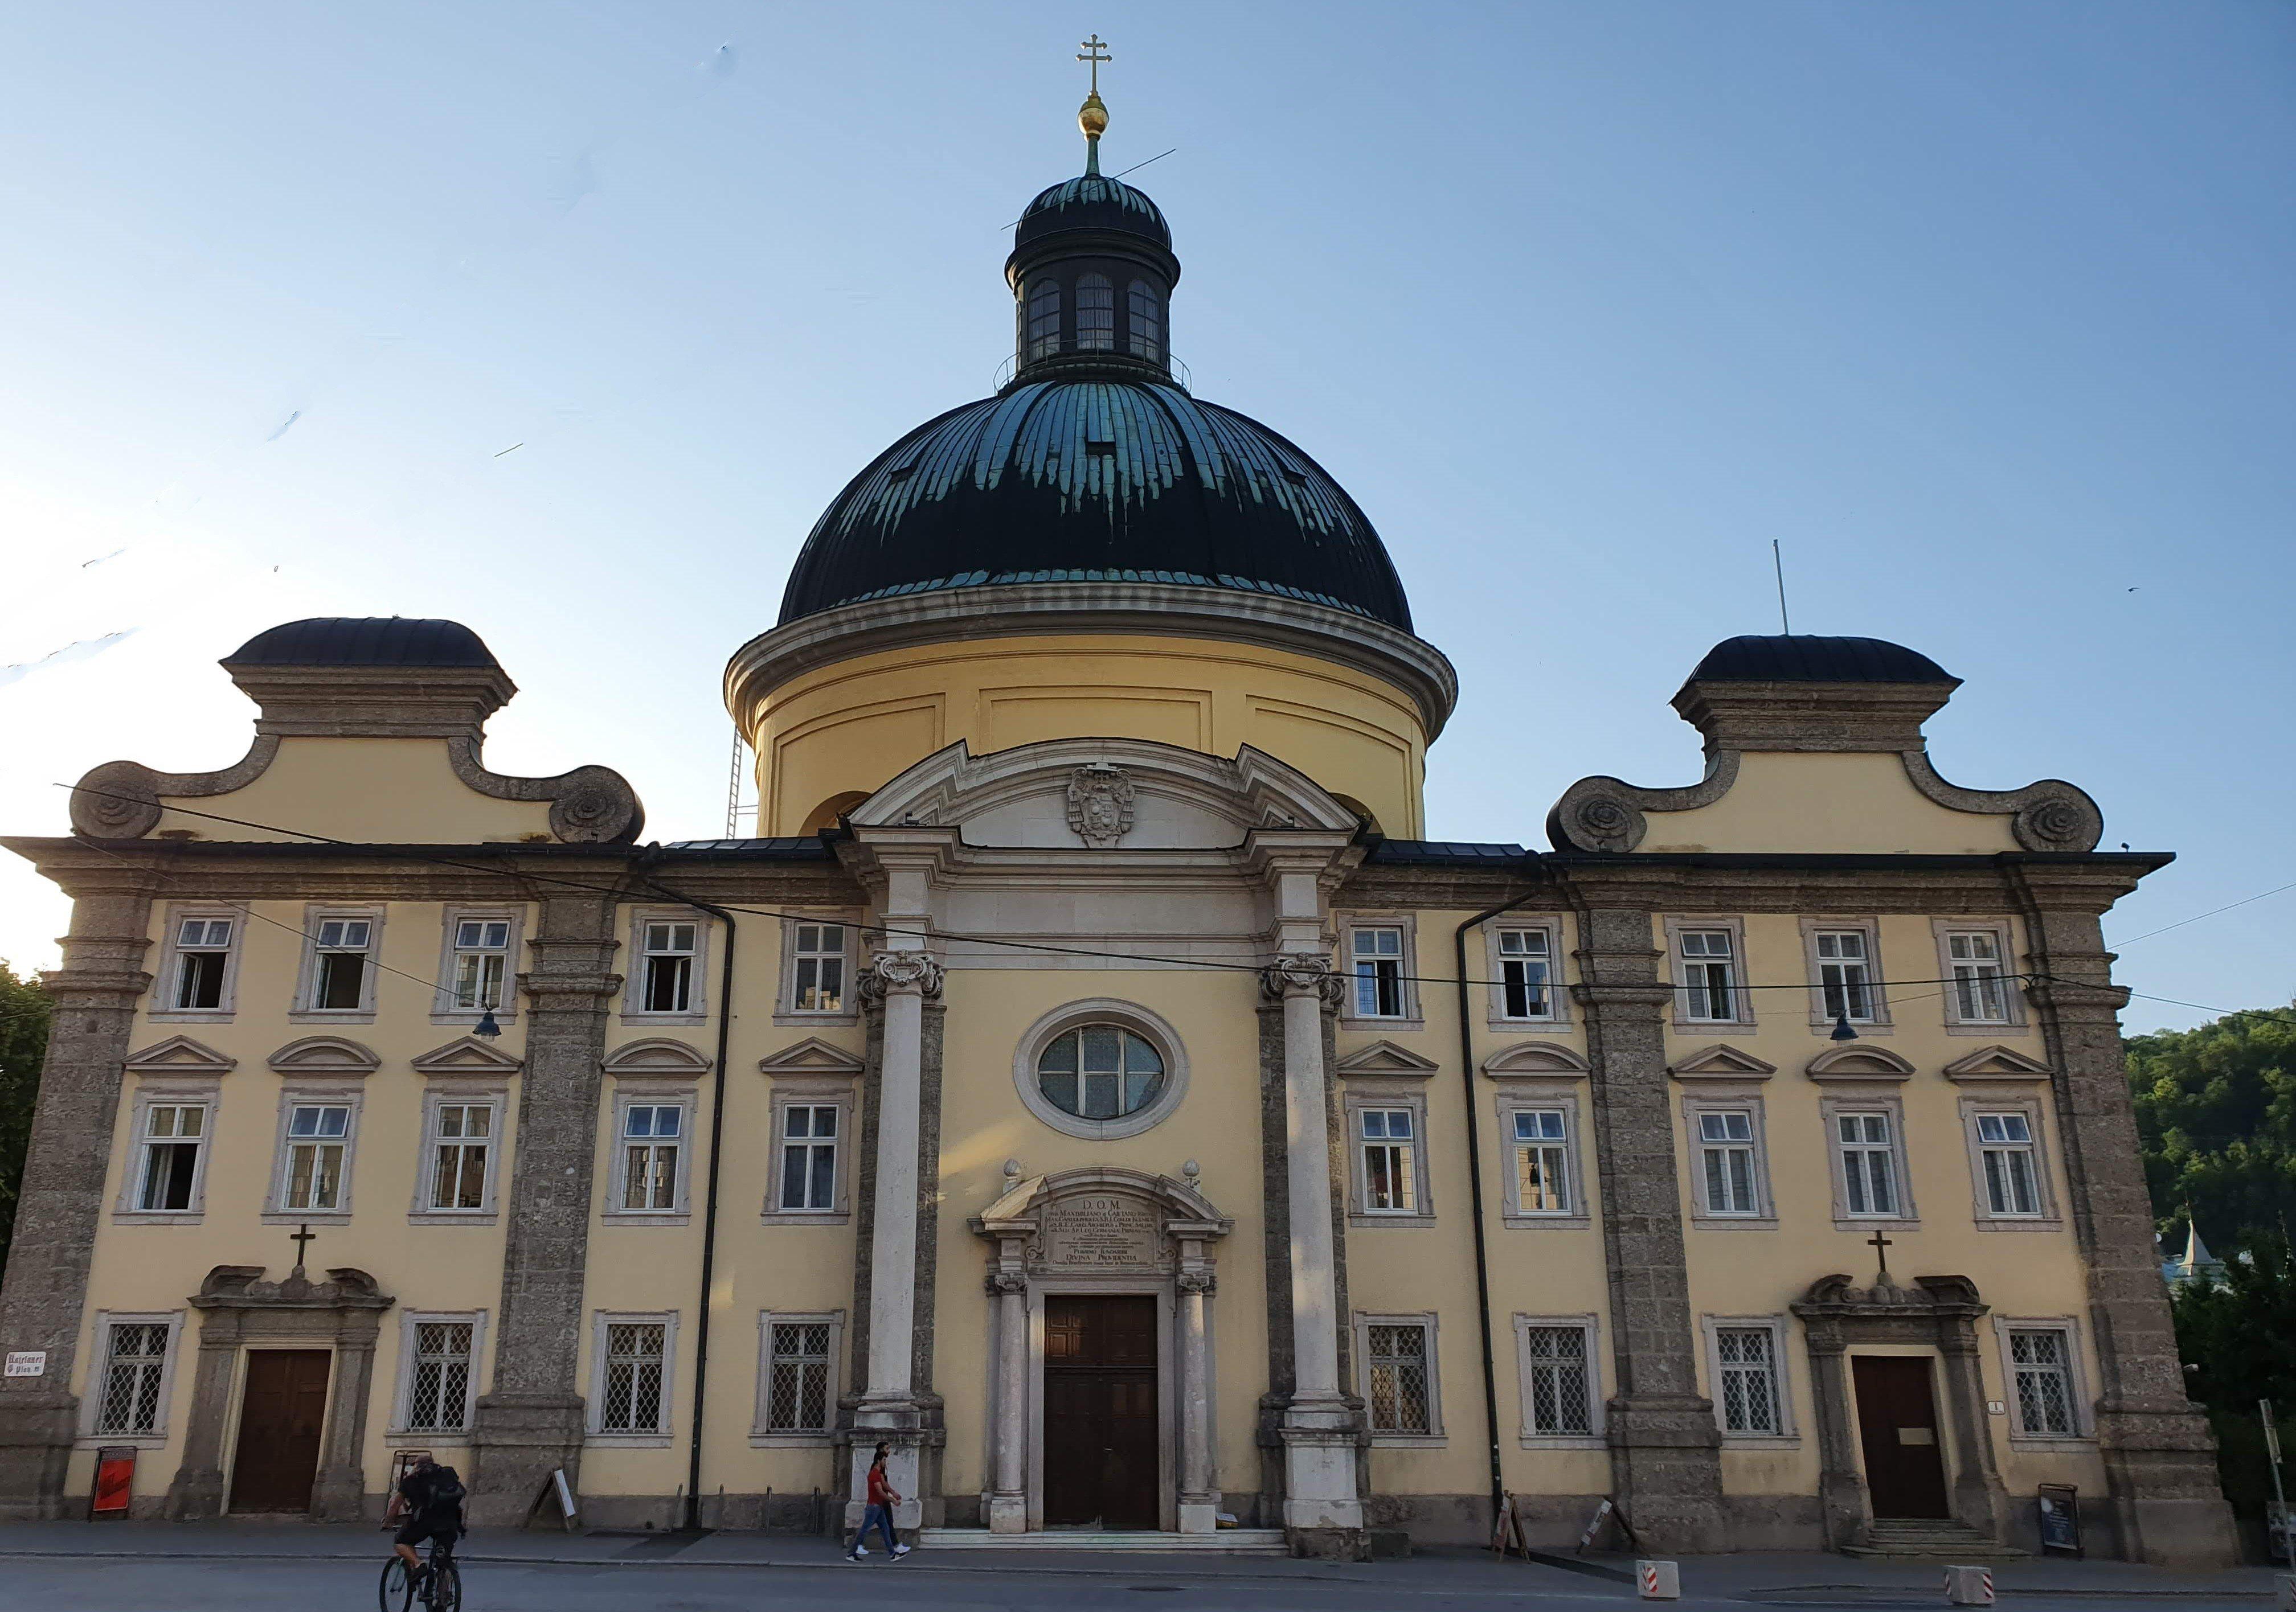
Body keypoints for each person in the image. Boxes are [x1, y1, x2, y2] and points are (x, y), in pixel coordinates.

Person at [392, 1456, 465, 1582]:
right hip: (449, 1524)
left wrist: (388, 1522)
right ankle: (444, 1596)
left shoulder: (411, 1480)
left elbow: (395, 1504)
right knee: (443, 1560)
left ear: (416, 1465)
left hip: (424, 1523)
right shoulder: (446, 1477)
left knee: (401, 1542)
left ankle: (418, 1564)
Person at [845, 1443, 910, 1562]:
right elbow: (880, 1492)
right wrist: (893, 1500)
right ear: (879, 1461)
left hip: (878, 1507)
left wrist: (893, 1494)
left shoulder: (878, 1473)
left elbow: (884, 1486)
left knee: (885, 1529)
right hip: (874, 1507)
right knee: (864, 1530)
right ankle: (851, 1553)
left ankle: (892, 1554)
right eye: (884, 1460)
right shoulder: (875, 1474)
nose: (886, 1461)